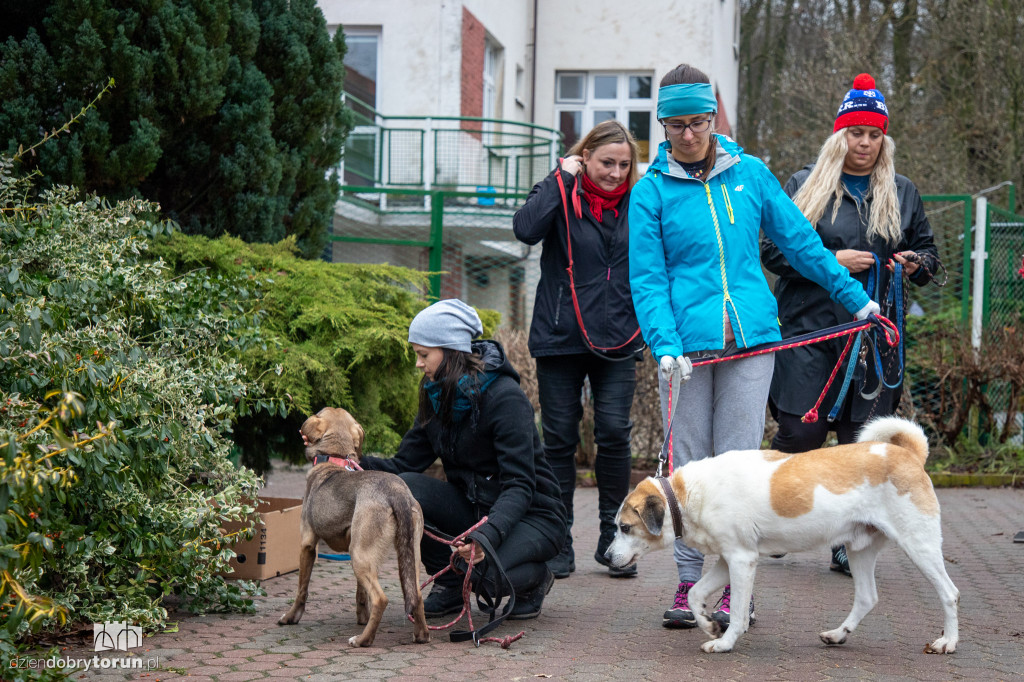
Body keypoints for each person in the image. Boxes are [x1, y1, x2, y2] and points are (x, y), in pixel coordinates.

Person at [628, 64, 879, 630]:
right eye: (675, 125)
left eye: (697, 122)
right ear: (662, 125)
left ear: (712, 118)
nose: (687, 135)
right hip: (685, 353)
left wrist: (856, 299)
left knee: (738, 468)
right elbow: (648, 278)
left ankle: (731, 594)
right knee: (688, 468)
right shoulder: (650, 193)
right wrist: (664, 344)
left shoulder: (752, 175)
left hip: (751, 342)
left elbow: (804, 245)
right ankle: (690, 580)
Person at [761, 73, 939, 575]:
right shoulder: (803, 185)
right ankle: (777, 520)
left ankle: (846, 540)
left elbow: (929, 256)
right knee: (799, 433)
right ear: (839, 135)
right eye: (856, 133)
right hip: (809, 331)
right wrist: (831, 260)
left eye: (874, 134)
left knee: (860, 444)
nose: (864, 143)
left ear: (884, 139)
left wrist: (914, 264)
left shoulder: (903, 193)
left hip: (872, 341)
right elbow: (773, 252)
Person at [359, 299, 568, 620]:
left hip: (533, 515)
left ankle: (534, 581)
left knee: (484, 577)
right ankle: (451, 588)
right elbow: (404, 466)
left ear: (451, 350)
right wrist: (349, 462)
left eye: (423, 354)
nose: (418, 364)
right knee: (405, 488)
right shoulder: (435, 393)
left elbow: (520, 486)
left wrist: (484, 537)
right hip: (476, 508)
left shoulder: (505, 398)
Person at [513, 120, 646, 579]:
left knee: (613, 433)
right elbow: (526, 230)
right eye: (606, 162)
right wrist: (559, 178)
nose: (614, 173)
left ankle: (615, 541)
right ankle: (558, 541)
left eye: (624, 165)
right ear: (584, 157)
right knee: (559, 441)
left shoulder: (640, 200)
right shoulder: (558, 191)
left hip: (620, 338)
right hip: (560, 337)